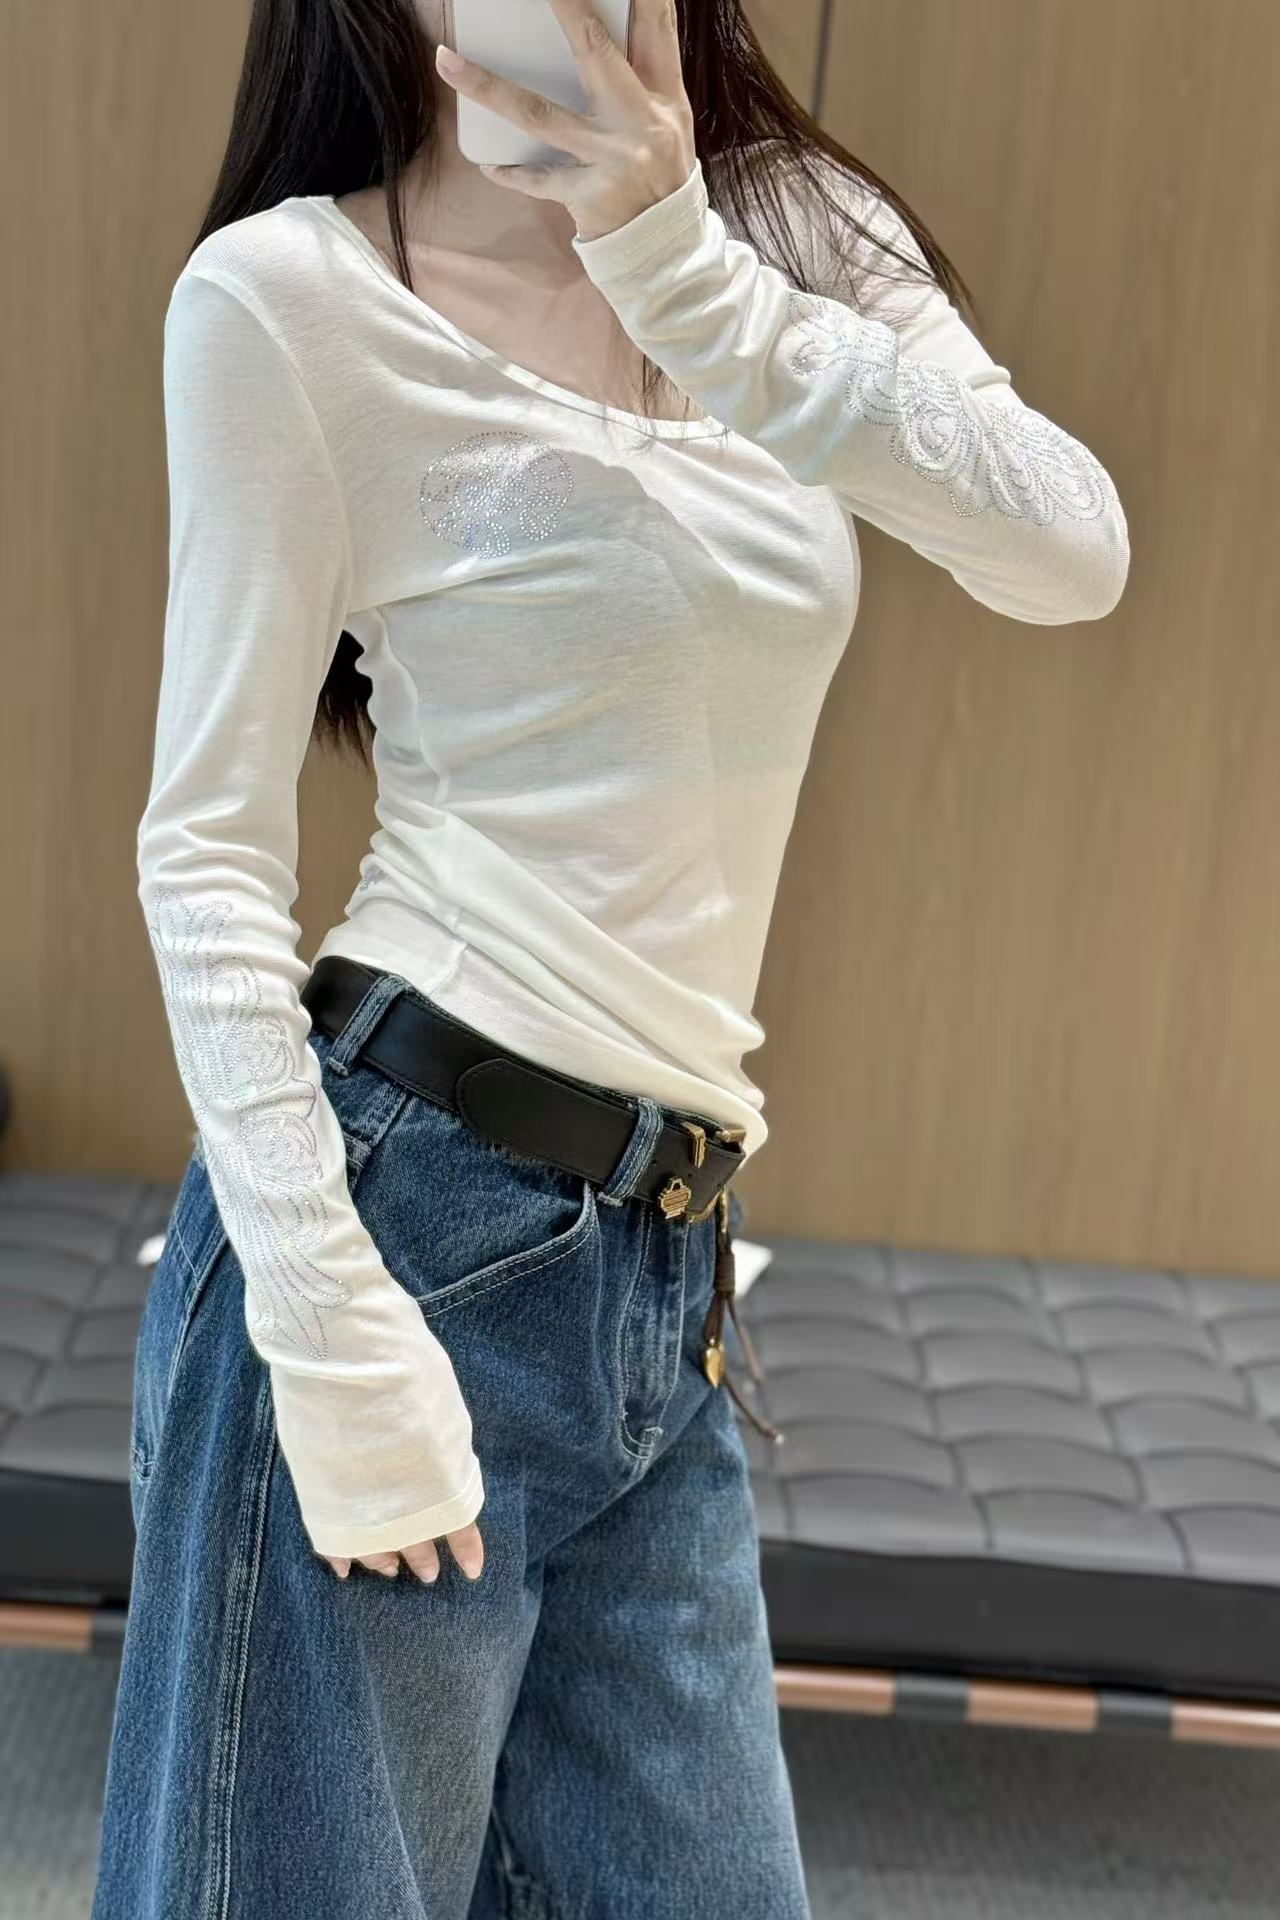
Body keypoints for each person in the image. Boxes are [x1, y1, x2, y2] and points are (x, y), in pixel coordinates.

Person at [91, 0, 1129, 1913]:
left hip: (662, 1274)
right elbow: (206, 849)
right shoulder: (291, 296)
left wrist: (680, 270)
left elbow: (1070, 552)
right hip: (404, 1227)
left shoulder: (791, 233)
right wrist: (326, 1328)